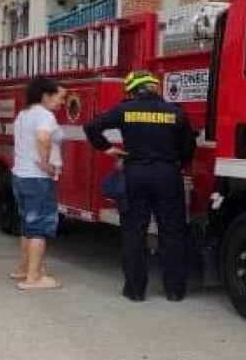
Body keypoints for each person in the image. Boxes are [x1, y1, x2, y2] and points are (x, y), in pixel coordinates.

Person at [84, 70, 196, 302]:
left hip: (135, 174)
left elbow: (92, 127)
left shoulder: (125, 110)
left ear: (133, 90)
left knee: (134, 232)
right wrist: (173, 163)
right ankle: (174, 291)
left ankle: (135, 290)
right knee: (172, 232)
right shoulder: (176, 112)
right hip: (168, 175)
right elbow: (188, 148)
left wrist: (108, 148)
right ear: (155, 88)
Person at [11, 76, 67, 291]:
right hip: (38, 179)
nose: (62, 102)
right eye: (60, 97)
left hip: (21, 176)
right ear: (46, 95)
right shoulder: (45, 115)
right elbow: (43, 138)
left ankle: (24, 268)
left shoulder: (23, 115)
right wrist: (46, 164)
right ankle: (33, 278)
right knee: (39, 228)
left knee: (27, 225)